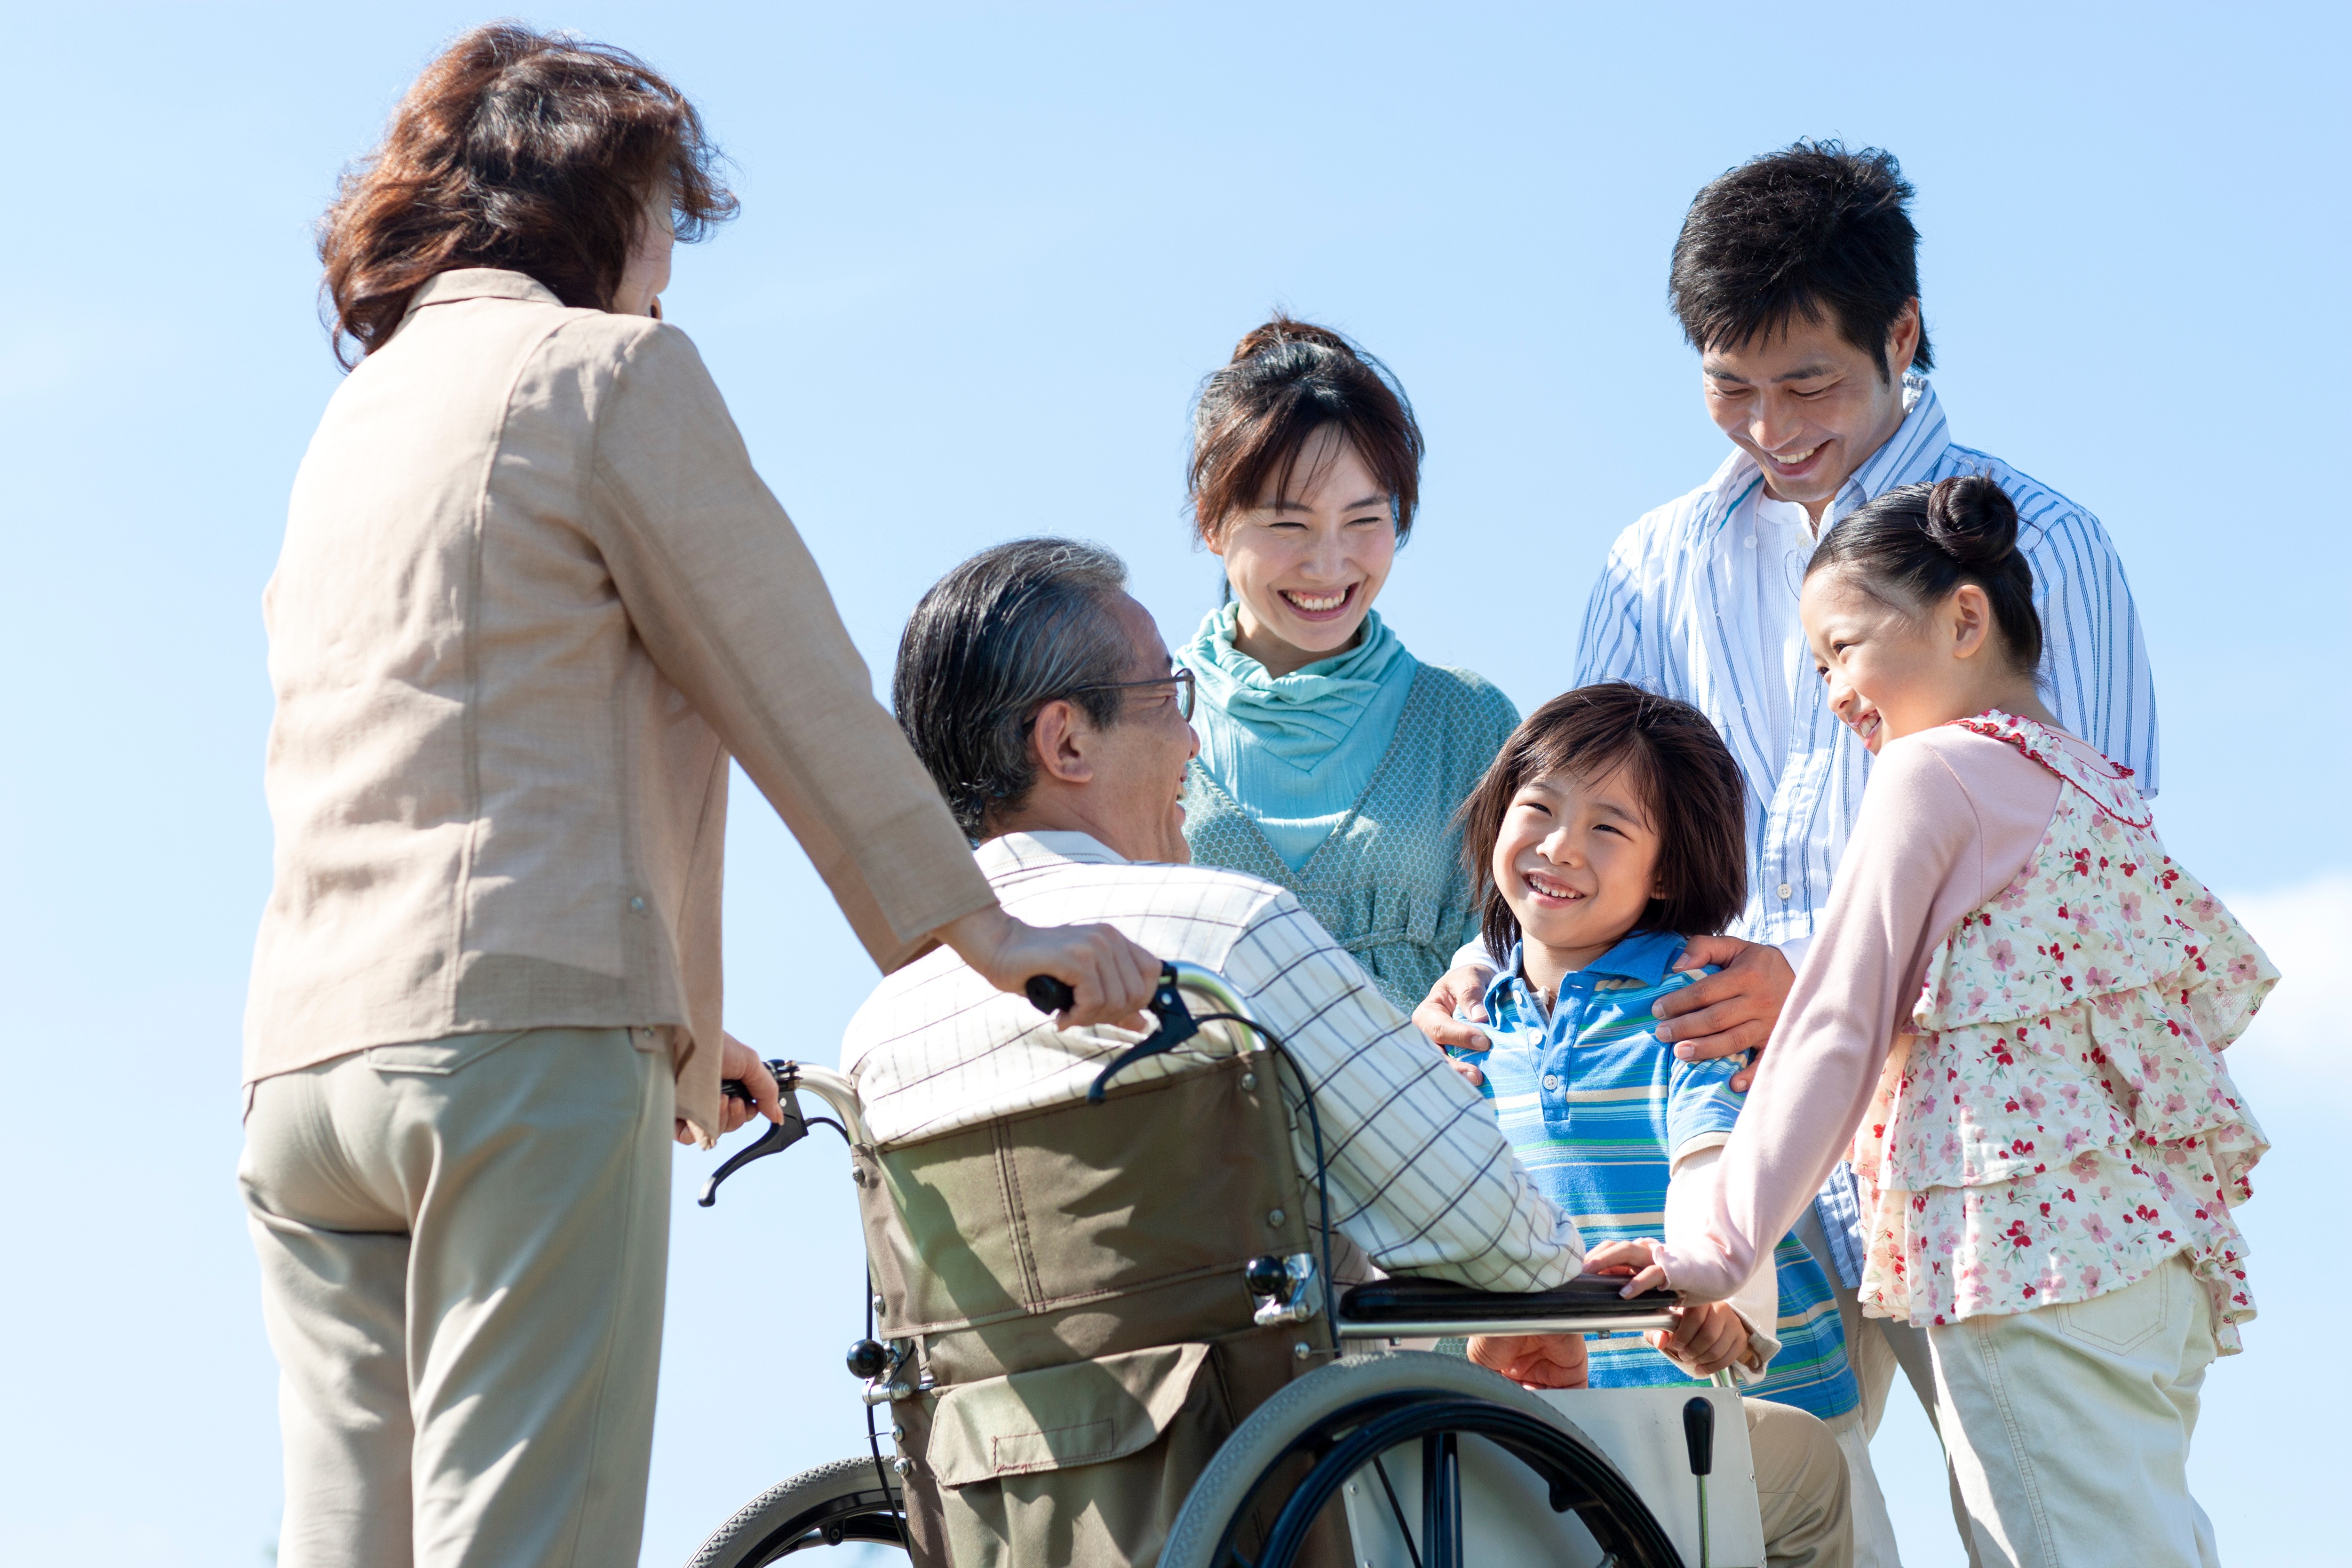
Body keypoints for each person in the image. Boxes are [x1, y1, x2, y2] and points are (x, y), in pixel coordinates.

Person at [238, 30, 1156, 1568]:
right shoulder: (604, 373)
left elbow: (479, 737)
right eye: (665, 213)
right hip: (514, 1058)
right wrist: (980, 933)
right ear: (601, 204)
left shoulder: (357, 421)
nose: (671, 260)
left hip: (305, 1071)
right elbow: (783, 671)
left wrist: (674, 1023)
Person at [1416, 141, 2160, 1542]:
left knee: (2053, 1520)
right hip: (1699, 1133)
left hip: (1973, 1134)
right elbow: (1598, 808)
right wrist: (1496, 957)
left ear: (1901, 335)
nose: (1767, 425)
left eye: (1807, 380)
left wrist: (1810, 975)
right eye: (1728, 385)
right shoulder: (1653, 561)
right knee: (1749, 1526)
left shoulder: (2048, 549)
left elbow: (2093, 867)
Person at [851, 537, 1854, 1568]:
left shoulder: (888, 1022)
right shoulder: (1227, 934)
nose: (1196, 743)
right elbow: (1482, 1226)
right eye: (1168, 696)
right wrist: (1551, 1284)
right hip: (1289, 1469)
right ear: (1066, 741)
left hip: (1018, 1499)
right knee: (1809, 1478)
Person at [1593, 475, 2273, 1568]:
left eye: (1844, 648)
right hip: (2146, 1272)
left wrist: (1716, 1249)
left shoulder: (1929, 774)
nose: (1832, 692)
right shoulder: (2093, 787)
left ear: (1964, 618)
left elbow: (1834, 1025)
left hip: (2025, 1269)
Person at [1444, 683, 1901, 1565]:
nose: (1560, 846)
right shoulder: (1473, 1023)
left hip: (1761, 1416)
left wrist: (1720, 1297)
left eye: (1608, 828)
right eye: (1537, 807)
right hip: (1591, 1430)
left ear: (1666, 870)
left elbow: (1718, 1162)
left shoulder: (1689, 1002)